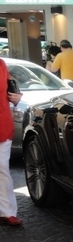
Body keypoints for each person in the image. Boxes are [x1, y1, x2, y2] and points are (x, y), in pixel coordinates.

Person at [1, 57, 24, 226]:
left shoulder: (1, 65)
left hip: (2, 124)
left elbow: (10, 92)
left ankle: (6, 212)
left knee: (2, 169)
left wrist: (16, 98)